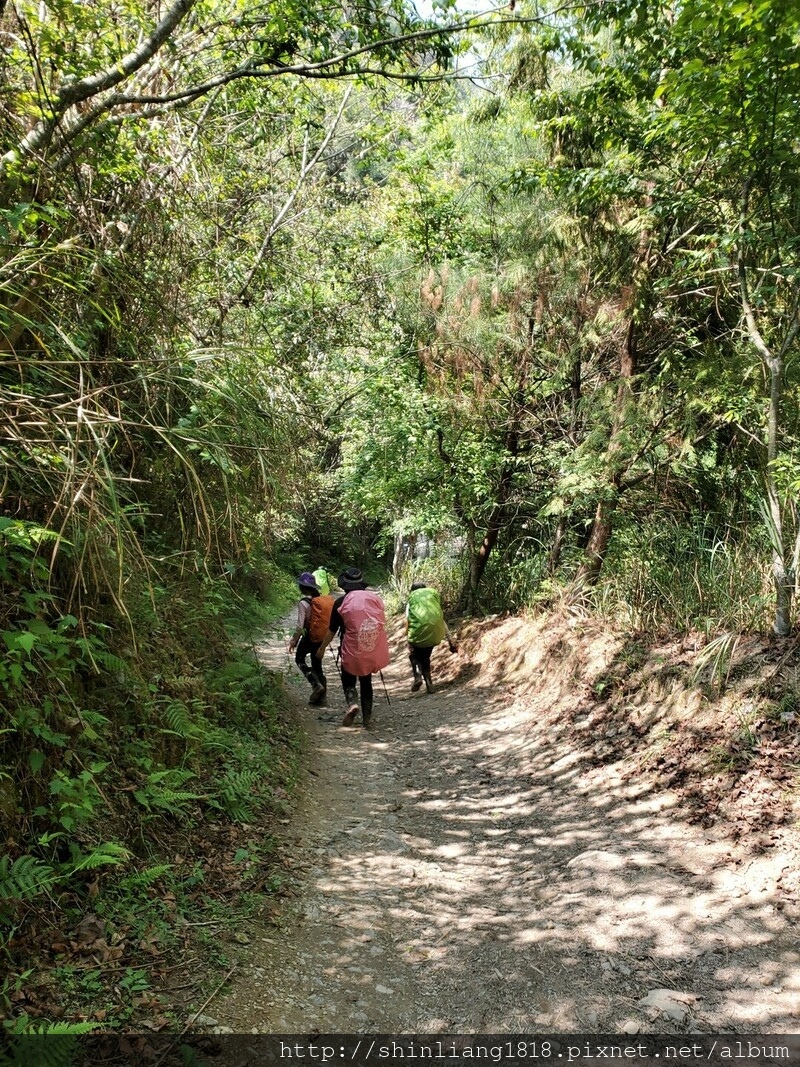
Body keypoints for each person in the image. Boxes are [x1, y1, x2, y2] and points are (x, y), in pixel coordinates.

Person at [316, 566, 389, 728]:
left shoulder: (341, 602)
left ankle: (352, 703)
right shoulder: (373, 599)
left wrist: (321, 649)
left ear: (344, 585)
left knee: (348, 679)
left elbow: (332, 630)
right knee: (366, 681)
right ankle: (367, 719)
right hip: (370, 648)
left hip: (350, 649)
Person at [288, 572, 335, 706]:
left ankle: (315, 684)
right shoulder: (320, 600)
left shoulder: (304, 603)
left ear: (302, 587)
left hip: (309, 637)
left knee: (299, 659)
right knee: (317, 665)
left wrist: (293, 641)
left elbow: (300, 625)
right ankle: (322, 699)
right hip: (321, 637)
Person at [405, 581, 457, 694]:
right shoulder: (432, 600)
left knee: (414, 656)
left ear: (412, 591)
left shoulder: (412, 600)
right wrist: (451, 641)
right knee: (425, 658)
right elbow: (441, 621)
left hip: (417, 633)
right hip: (434, 633)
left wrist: (408, 639)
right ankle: (429, 684)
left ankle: (418, 676)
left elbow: (408, 621)